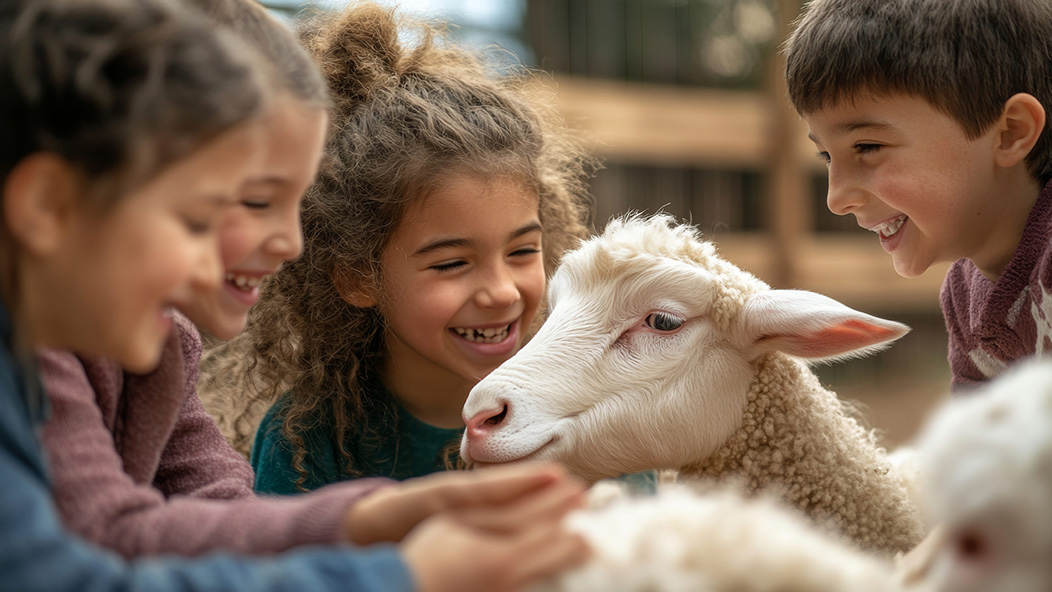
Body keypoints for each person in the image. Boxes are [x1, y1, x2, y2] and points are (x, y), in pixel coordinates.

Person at [0, 1, 586, 591]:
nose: (292, 243)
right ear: (48, 206)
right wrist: (403, 574)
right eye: (204, 215)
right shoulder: (43, 353)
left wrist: (374, 519)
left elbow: (183, 515)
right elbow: (84, 561)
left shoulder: (141, 341)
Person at [201, 1, 597, 494]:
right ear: (357, 277)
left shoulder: (588, 409)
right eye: (452, 263)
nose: (501, 292)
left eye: (521, 252)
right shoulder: (308, 441)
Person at [782, 0, 1052, 390]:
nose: (837, 198)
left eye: (868, 146)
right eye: (826, 156)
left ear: (1010, 132)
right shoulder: (965, 300)